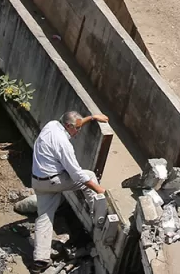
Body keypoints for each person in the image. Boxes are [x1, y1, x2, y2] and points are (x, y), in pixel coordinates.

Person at [30, 111, 109, 272]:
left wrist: (92, 118)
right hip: (53, 181)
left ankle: (40, 260)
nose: (78, 132)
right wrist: (101, 190)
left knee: (44, 217)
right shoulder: (64, 144)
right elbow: (77, 175)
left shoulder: (52, 124)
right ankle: (98, 215)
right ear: (68, 126)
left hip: (38, 181)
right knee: (89, 177)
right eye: (77, 129)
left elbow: (74, 122)